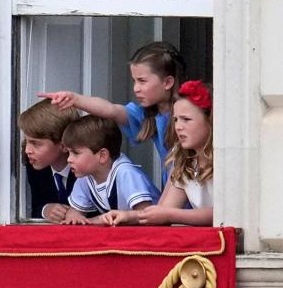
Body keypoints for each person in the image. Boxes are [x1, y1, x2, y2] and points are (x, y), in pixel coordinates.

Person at [39, 41, 186, 187]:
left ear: (167, 83)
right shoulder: (148, 114)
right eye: (134, 81)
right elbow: (111, 110)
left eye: (142, 81)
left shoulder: (189, 115)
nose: (136, 88)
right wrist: (75, 99)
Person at [103, 81, 213, 226]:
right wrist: (129, 216)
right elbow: (164, 210)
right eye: (175, 120)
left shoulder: (227, 159)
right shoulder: (184, 159)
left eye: (186, 119)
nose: (178, 127)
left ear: (210, 120)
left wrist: (170, 215)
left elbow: (224, 213)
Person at [60, 115, 160, 225]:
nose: (69, 159)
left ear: (102, 156)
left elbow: (145, 214)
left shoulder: (126, 173)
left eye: (75, 153)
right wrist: (74, 219)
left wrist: (94, 221)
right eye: (69, 153)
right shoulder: (85, 177)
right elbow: (74, 212)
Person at [18, 99, 80, 221]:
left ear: (63, 145)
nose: (27, 150)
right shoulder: (35, 165)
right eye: (27, 141)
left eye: (35, 143)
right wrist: (45, 210)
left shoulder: (86, 170)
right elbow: (36, 205)